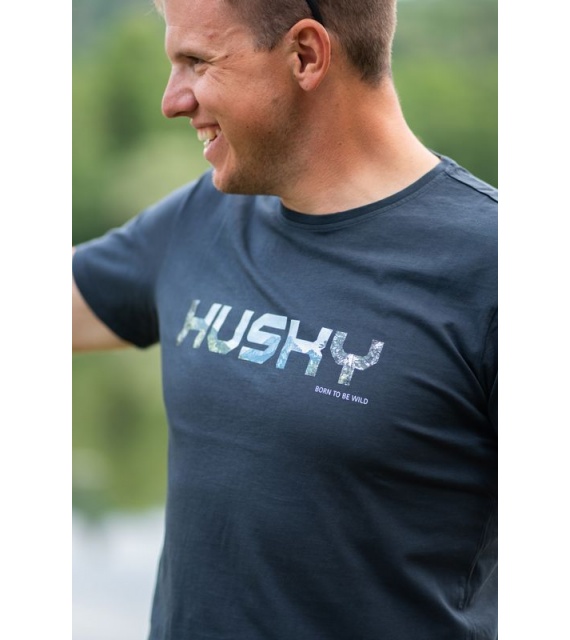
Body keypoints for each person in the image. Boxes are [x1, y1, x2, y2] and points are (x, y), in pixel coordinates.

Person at [72, 0, 497, 637]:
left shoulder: (497, 264)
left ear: (305, 55)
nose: (171, 101)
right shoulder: (203, 217)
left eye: (197, 62)